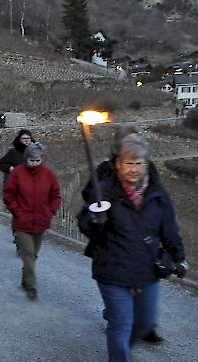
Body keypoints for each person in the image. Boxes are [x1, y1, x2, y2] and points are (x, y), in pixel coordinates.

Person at [77, 133, 187, 362]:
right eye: (128, 163)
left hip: (148, 267)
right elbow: (85, 223)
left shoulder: (157, 194)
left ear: (146, 164)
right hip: (112, 268)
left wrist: (178, 256)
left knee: (145, 321)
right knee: (121, 324)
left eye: (139, 163)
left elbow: (169, 228)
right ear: (118, 165)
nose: (134, 169)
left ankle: (121, 349)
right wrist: (95, 219)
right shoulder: (104, 191)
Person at [82, 126, 165, 344]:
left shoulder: (148, 168)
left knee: (145, 281)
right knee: (119, 280)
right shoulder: (105, 170)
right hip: (113, 237)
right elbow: (88, 194)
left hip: (143, 237)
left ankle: (144, 325)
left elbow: (157, 192)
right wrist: (102, 201)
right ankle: (118, 317)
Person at [2, 141, 61, 300]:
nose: (35, 164)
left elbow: (55, 195)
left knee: (33, 255)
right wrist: (17, 211)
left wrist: (50, 212)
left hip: (41, 222)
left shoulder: (48, 174)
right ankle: (32, 286)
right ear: (26, 158)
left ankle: (25, 279)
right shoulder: (17, 174)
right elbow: (8, 195)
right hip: (22, 222)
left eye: (38, 161)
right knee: (28, 253)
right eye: (31, 160)